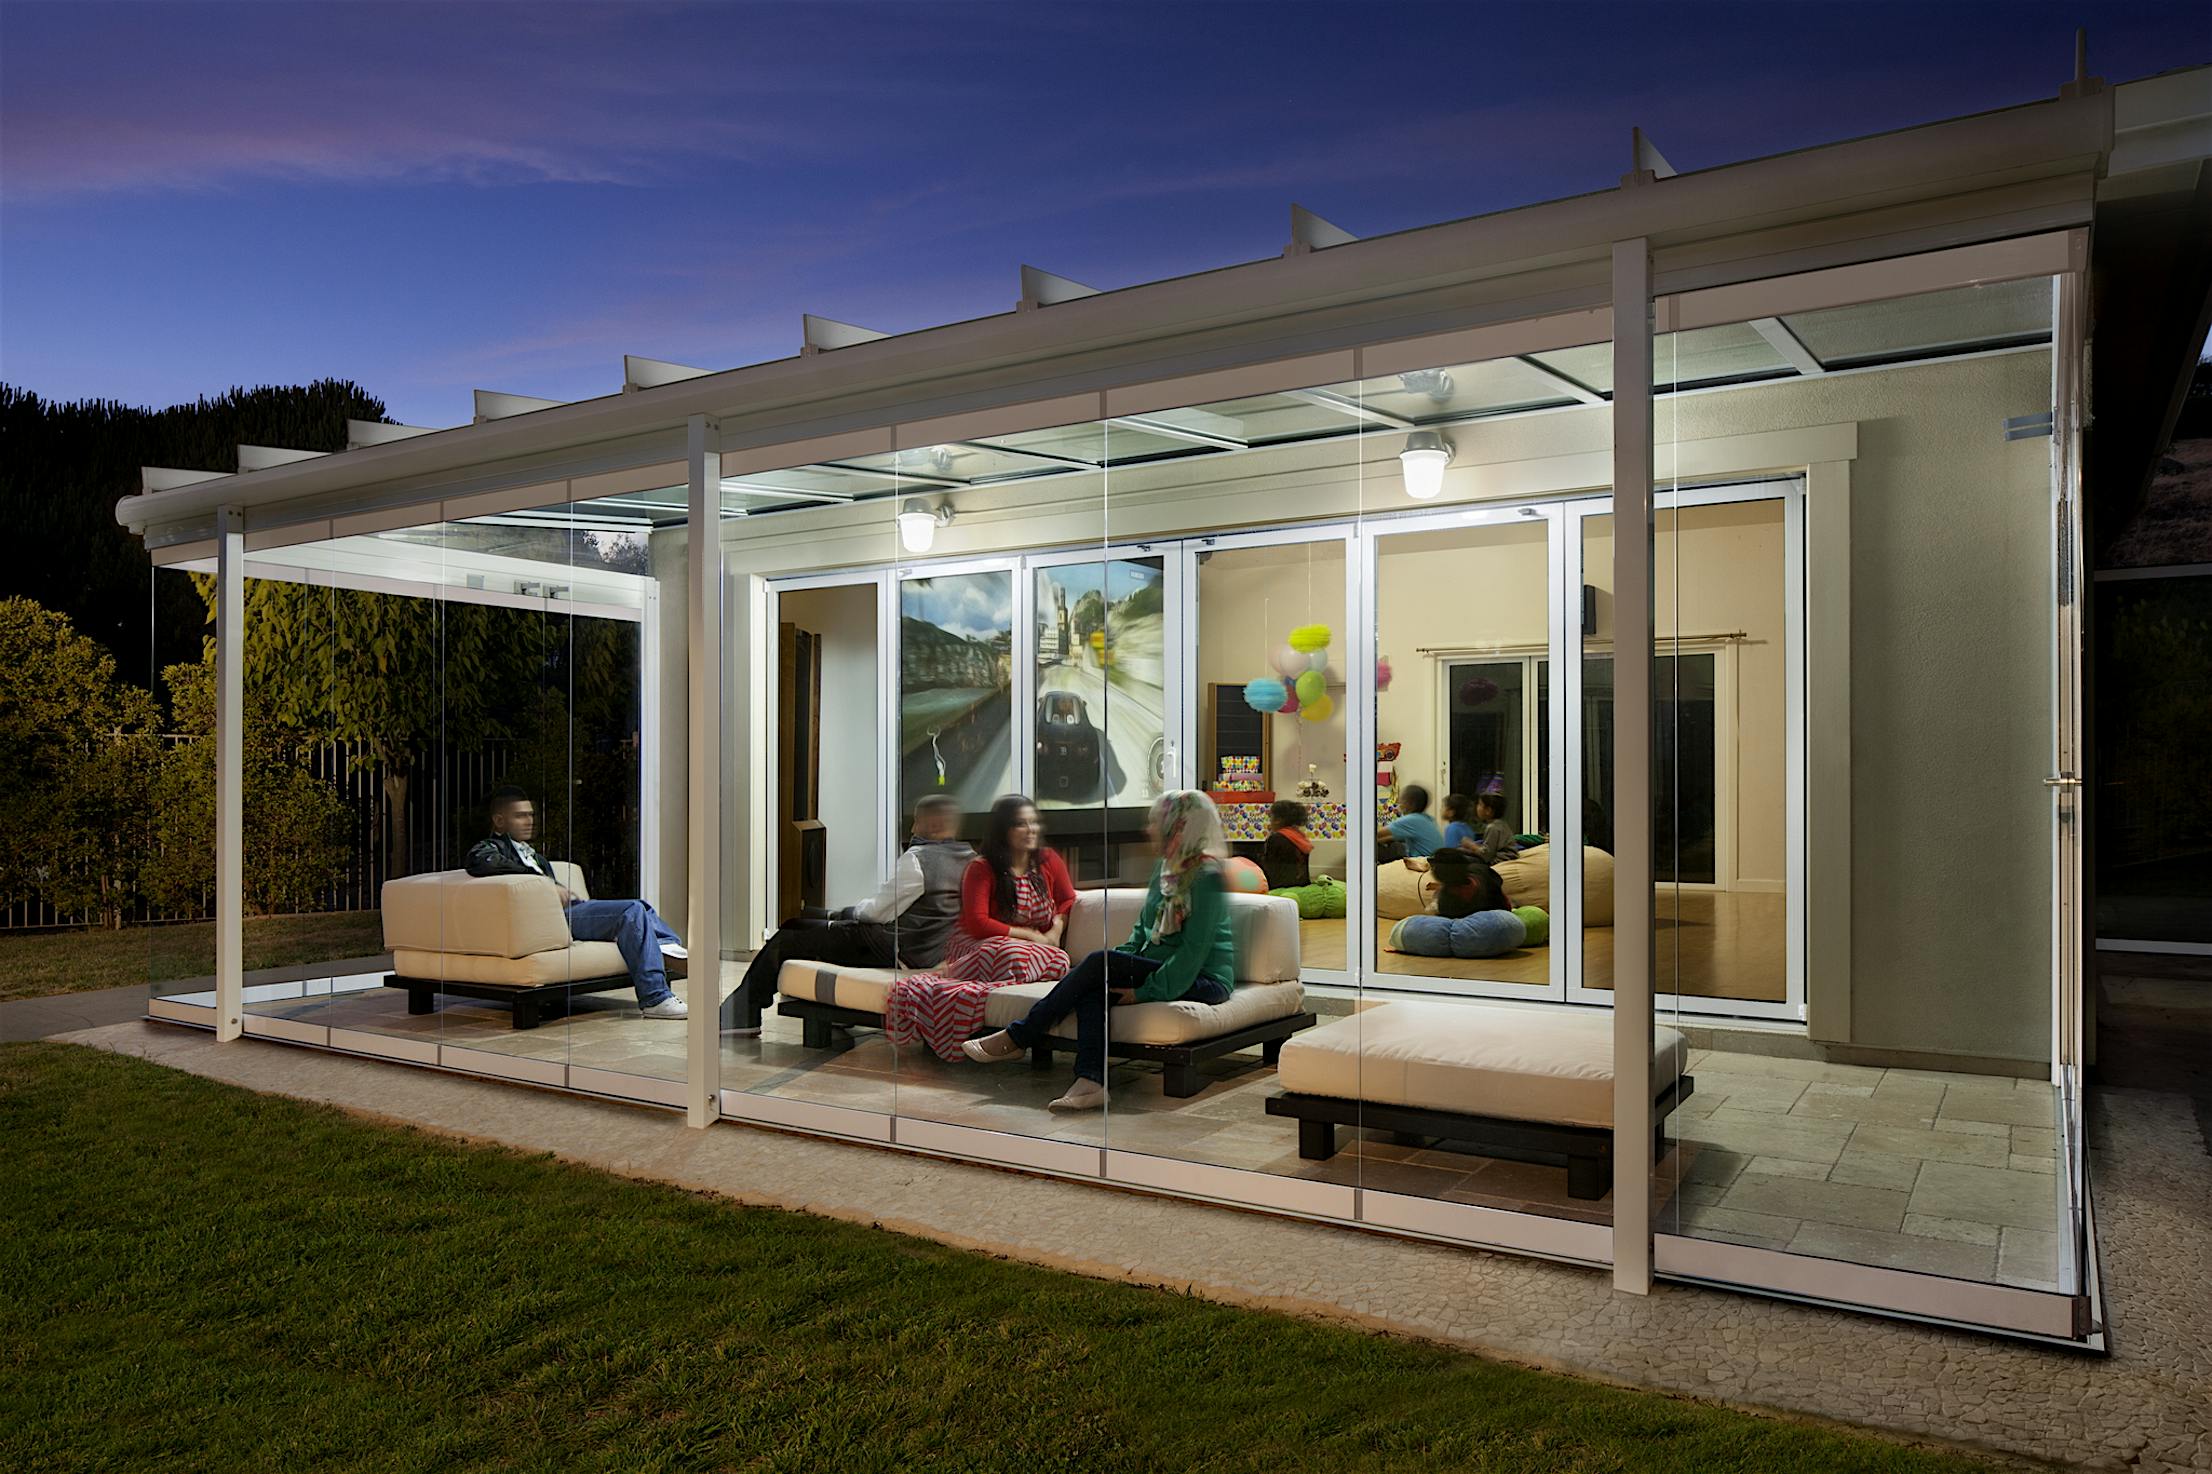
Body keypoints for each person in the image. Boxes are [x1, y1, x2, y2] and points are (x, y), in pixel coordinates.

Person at [964, 790, 1236, 1112]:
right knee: (1094, 984)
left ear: (1180, 827)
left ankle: (1019, 1036)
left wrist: (1144, 991)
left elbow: (1193, 953)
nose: (1149, 830)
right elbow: (1142, 931)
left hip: (1206, 980)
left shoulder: (1206, 877)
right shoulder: (1166, 868)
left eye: (1157, 823)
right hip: (1161, 965)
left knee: (1098, 964)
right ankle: (1091, 1083)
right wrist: (1117, 964)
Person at [719, 795, 975, 1036]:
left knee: (786, 939)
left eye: (916, 821)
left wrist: (848, 913)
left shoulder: (919, 860)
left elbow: (876, 913)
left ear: (932, 823)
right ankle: (836, 1010)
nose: (912, 830)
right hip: (929, 950)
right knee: (802, 922)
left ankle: (742, 1016)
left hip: (893, 948)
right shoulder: (969, 859)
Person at [464, 785, 688, 1019]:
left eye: (530, 814)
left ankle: (665, 945)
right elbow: (481, 861)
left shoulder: (535, 856)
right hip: (552, 919)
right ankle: (655, 997)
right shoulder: (489, 848)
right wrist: (543, 882)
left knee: (640, 906)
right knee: (631, 911)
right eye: (520, 816)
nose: (529, 820)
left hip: (569, 911)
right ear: (499, 821)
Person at [882, 794, 1076, 1061]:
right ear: (1004, 830)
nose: (1031, 830)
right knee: (1009, 953)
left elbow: (1067, 898)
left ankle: (1005, 971)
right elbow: (978, 923)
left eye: (1034, 823)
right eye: (1021, 824)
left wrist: (1055, 930)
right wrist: (1029, 936)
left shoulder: (1048, 860)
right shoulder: (981, 868)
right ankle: (964, 975)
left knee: (1060, 960)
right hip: (981, 943)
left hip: (1037, 948)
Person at [1258, 798, 1313, 891]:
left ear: (1278, 820)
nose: (1270, 821)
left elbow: (1270, 868)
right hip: (1303, 887)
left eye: (1270, 817)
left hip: (1281, 889)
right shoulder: (1299, 836)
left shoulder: (1276, 838)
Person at [1384, 784, 1446, 859]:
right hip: (1435, 863)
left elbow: (1376, 835)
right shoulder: (1428, 819)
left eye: (1401, 800)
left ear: (1410, 803)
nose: (1399, 803)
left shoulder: (1411, 820)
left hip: (1426, 866)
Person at [1468, 788, 1522, 865]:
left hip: (1500, 861)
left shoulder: (1493, 827)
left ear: (1488, 810)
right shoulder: (1501, 824)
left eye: (1480, 804)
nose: (1477, 807)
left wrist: (1471, 846)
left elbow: (1486, 855)